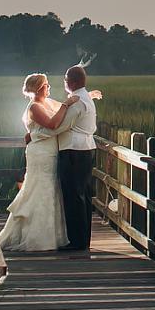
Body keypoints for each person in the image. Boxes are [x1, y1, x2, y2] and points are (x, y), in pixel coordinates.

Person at [0, 72, 101, 253]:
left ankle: (57, 235)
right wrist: (36, 134)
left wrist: (86, 96)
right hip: (41, 152)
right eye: (46, 85)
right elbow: (54, 124)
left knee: (53, 190)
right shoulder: (34, 107)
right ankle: (37, 235)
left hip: (52, 150)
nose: (49, 87)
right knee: (40, 188)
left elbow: (69, 111)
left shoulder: (49, 103)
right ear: (38, 88)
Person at [55, 64, 98, 251]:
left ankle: (77, 242)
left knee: (74, 196)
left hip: (73, 150)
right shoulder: (86, 97)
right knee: (83, 195)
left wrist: (39, 131)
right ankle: (83, 239)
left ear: (72, 82)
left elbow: (61, 125)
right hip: (85, 150)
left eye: (65, 79)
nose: (64, 81)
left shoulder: (77, 100)